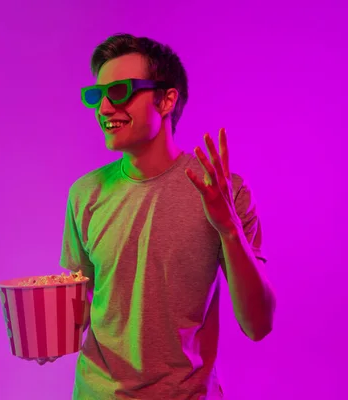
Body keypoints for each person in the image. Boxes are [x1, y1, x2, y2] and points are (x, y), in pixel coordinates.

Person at [32, 33, 276, 399]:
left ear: (166, 100)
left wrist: (229, 230)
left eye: (120, 92)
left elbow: (259, 324)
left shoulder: (223, 192)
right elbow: (82, 299)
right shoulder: (85, 194)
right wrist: (49, 332)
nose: (104, 109)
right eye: (98, 96)